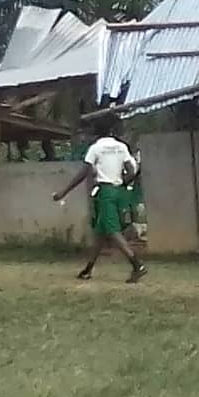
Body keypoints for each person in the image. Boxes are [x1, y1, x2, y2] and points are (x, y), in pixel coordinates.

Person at [52, 117, 148, 283]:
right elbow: (132, 170)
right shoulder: (121, 146)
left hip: (105, 192)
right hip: (119, 191)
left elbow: (83, 173)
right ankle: (88, 269)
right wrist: (123, 183)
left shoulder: (95, 148)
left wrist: (64, 191)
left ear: (95, 132)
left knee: (111, 230)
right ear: (111, 131)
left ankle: (137, 264)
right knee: (100, 232)